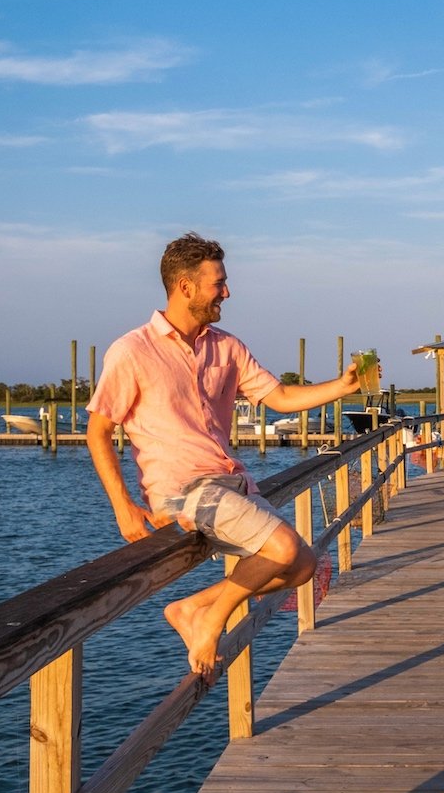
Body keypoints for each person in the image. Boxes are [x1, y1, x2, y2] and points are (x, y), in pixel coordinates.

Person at [87, 232, 366, 679]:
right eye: (219, 283)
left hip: (230, 482)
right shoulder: (132, 350)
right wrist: (123, 507)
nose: (227, 292)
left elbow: (279, 396)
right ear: (185, 287)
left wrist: (341, 386)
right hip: (181, 490)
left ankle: (195, 607)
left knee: (303, 565)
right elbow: (98, 431)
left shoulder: (227, 347)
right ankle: (213, 619)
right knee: (281, 546)